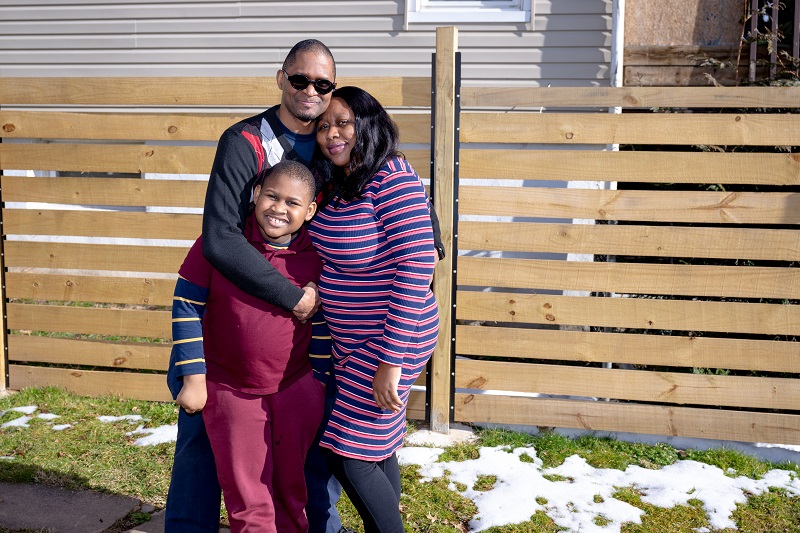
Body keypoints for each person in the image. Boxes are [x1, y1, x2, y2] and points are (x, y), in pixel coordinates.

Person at [165, 39, 349, 533]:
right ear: (281, 78)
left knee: (303, 460)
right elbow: (220, 238)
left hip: (296, 354)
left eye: (322, 84)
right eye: (300, 79)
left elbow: (383, 172)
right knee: (203, 448)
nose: (310, 91)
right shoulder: (246, 141)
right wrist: (293, 298)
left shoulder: (333, 145)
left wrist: (427, 226)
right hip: (227, 335)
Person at [169, 160, 329, 532]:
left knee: (290, 492)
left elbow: (323, 321)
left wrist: (318, 382)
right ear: (255, 194)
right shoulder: (221, 245)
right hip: (232, 392)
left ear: (309, 211)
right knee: (249, 499)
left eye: (292, 203)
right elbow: (186, 304)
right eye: (272, 196)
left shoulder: (316, 256)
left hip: (294, 390)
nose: (279, 208)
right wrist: (193, 377)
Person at [308, 86, 440, 533]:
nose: (332, 133)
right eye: (323, 126)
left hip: (391, 337)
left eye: (343, 122)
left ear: (368, 124)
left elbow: (418, 264)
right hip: (355, 341)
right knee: (375, 448)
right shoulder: (341, 183)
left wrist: (391, 360)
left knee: (349, 454)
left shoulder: (391, 177)